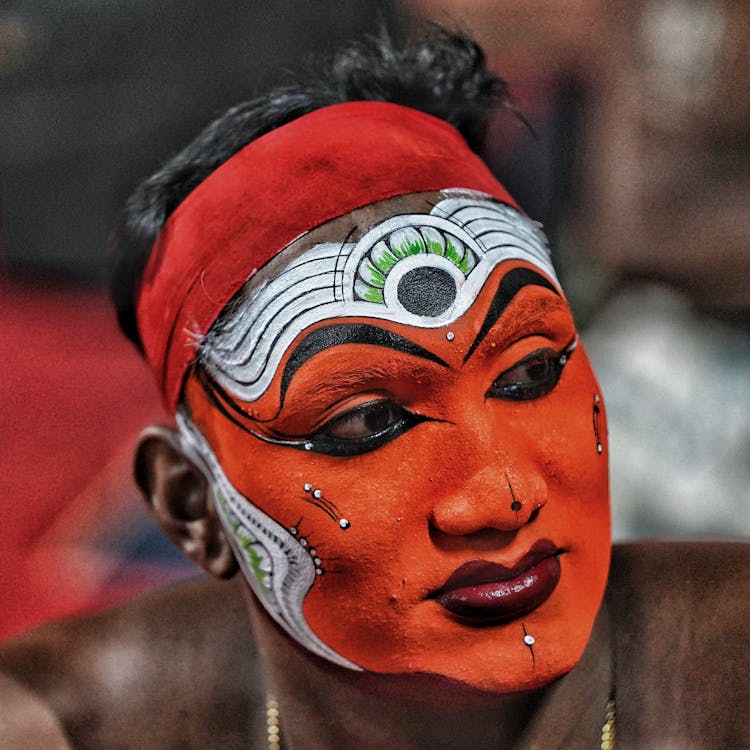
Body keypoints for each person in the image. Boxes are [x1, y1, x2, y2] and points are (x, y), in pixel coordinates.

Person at [0, 27, 747, 750]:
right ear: (192, 504)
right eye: (367, 421)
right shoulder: (61, 725)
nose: (503, 494)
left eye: (530, 374)